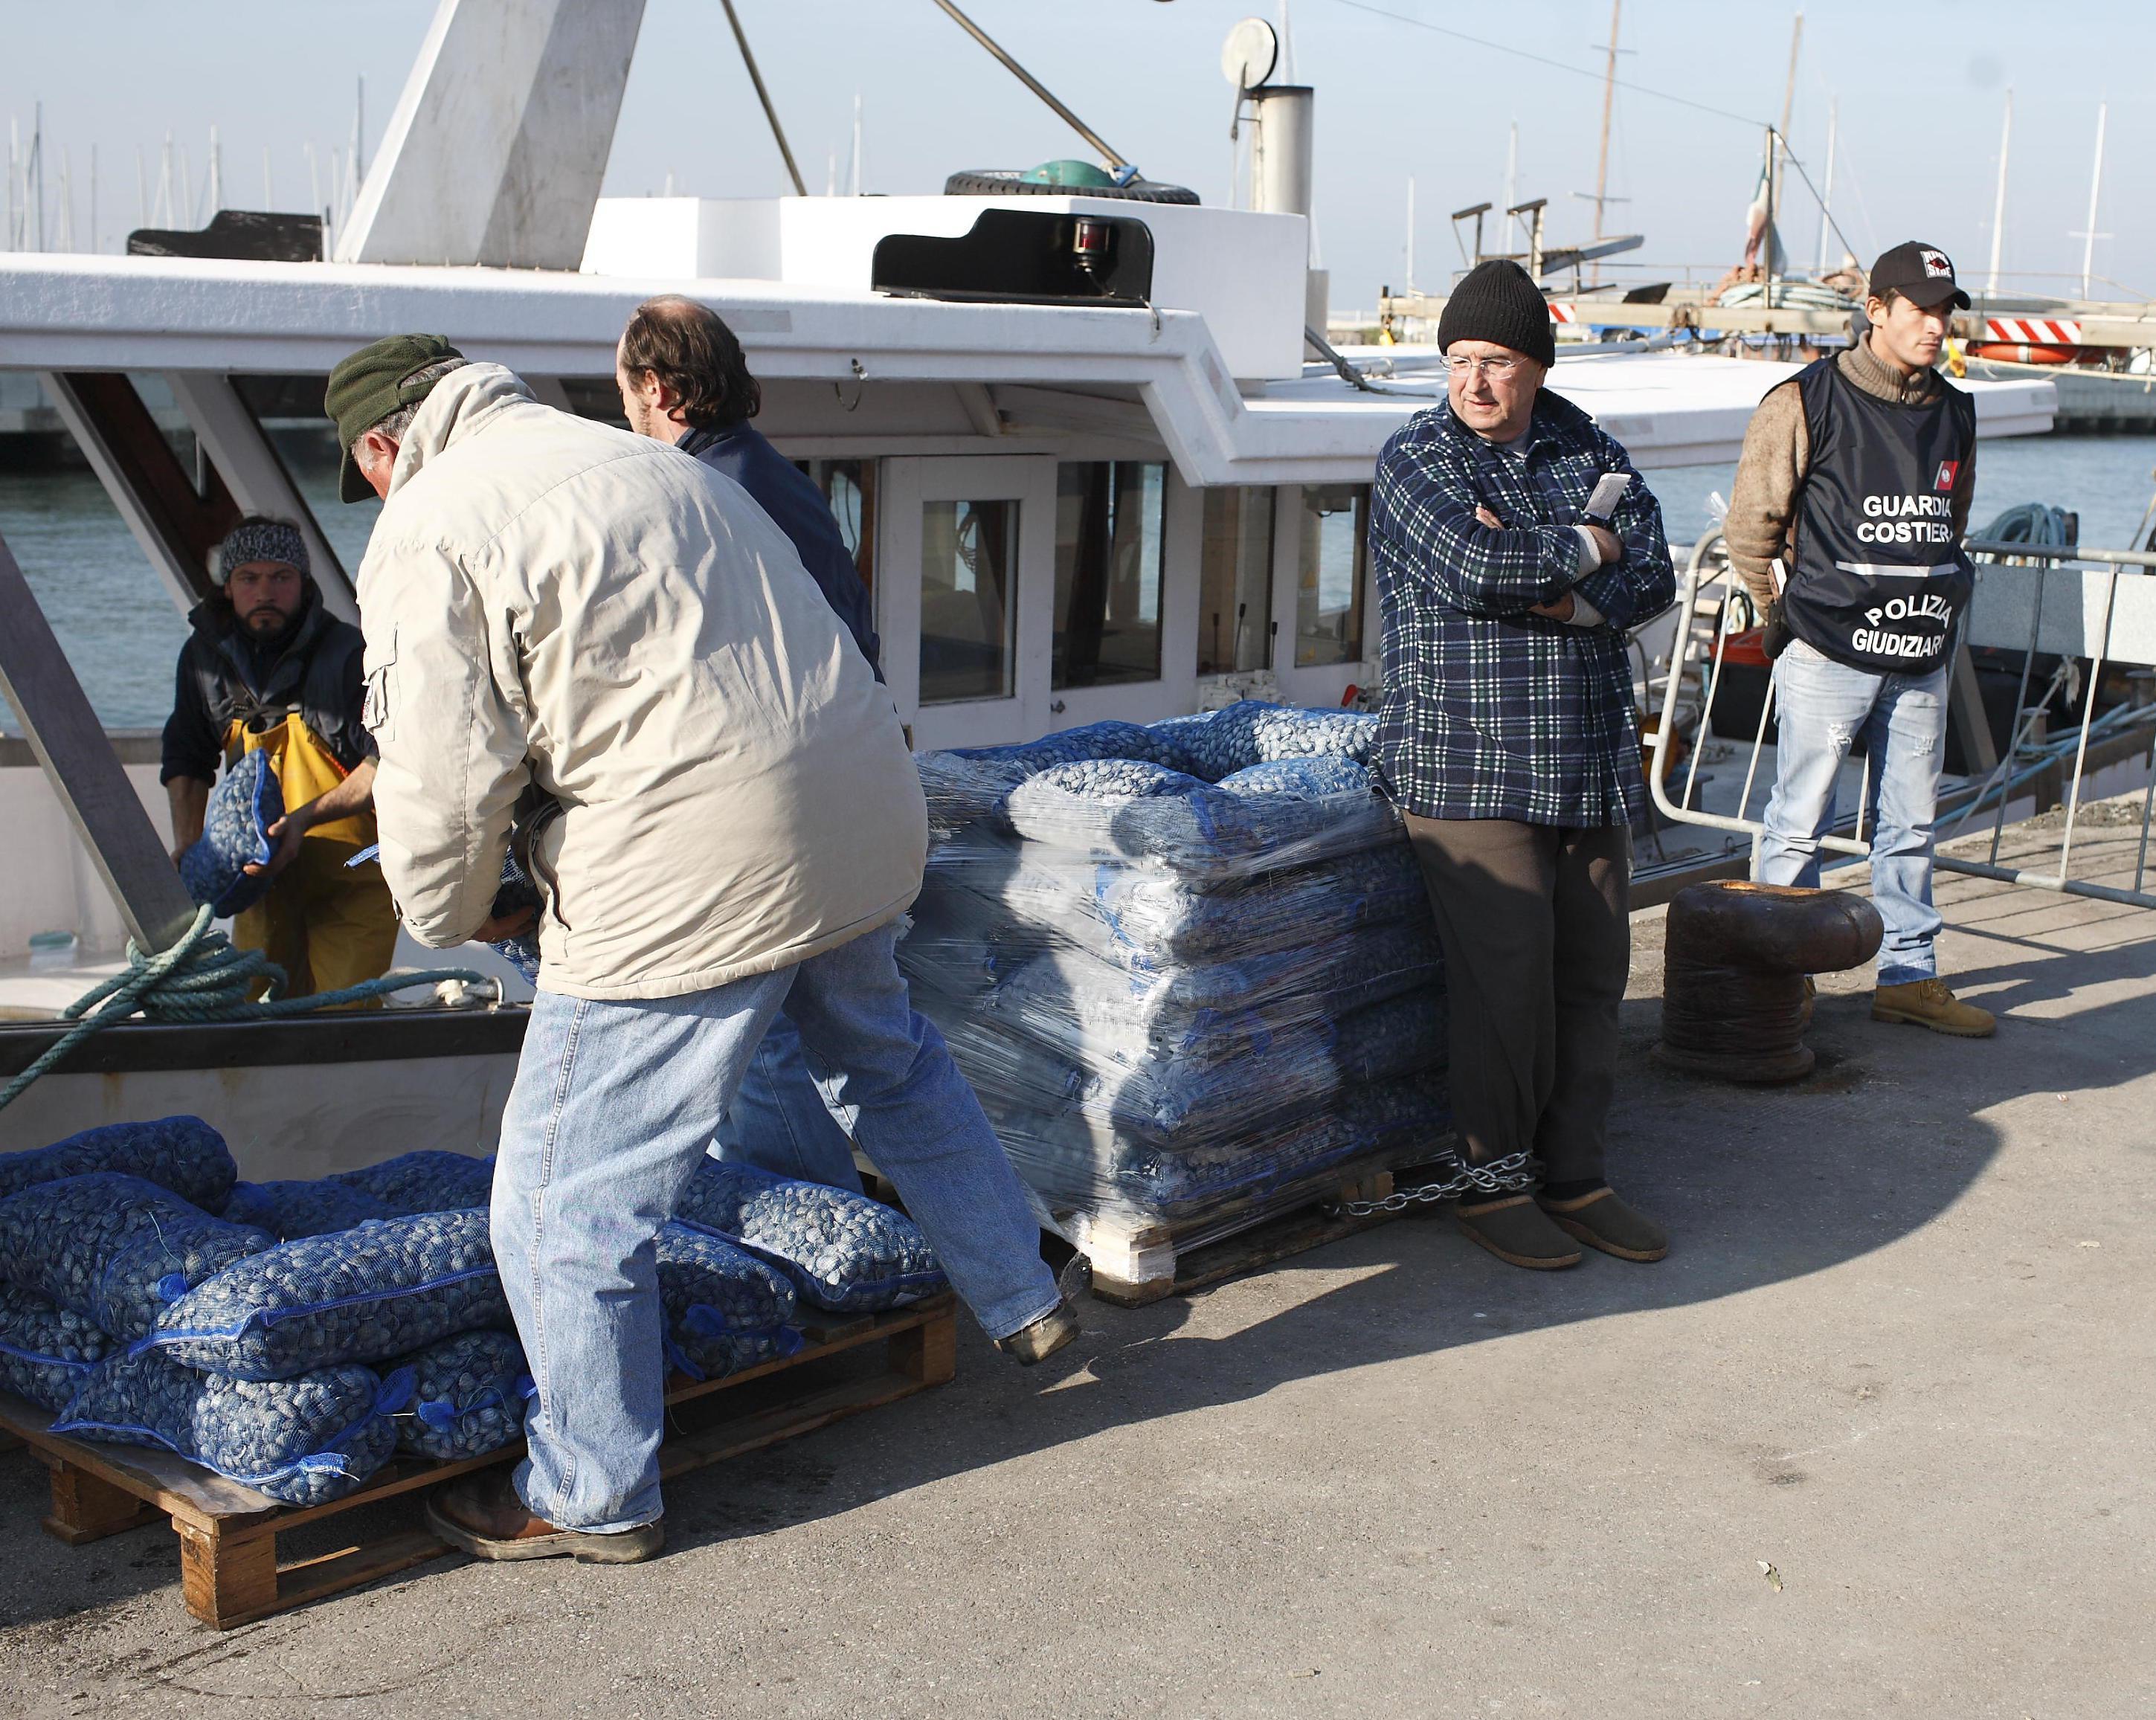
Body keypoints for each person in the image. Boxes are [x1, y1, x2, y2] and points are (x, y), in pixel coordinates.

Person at [324, 334, 1073, 1565]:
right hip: (854, 811)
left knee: (563, 1199)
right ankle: (1020, 1296)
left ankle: (590, 1488)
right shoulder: (653, 464)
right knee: (884, 1060)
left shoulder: (433, 520)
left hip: (691, 863)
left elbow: (441, 770)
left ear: (382, 446)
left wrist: (452, 913)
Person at [1370, 258, 1677, 1272]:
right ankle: (1490, 1185)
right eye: (1457, 361)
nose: (1473, 384)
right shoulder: (1416, 458)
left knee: (1591, 979)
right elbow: (1473, 565)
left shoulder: (1588, 443)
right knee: (1504, 991)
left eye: (1495, 362)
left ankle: (1576, 1176)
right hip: (1467, 770)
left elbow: (1653, 575)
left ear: (1534, 366)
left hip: (1587, 761)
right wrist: (1584, 542)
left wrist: (1566, 579)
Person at [616, 294, 878, 1192]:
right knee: (846, 1043)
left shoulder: (706, 492)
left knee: (752, 1044)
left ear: (656, 385)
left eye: (623, 387)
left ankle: (832, 1228)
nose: (623, 408)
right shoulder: (762, 472)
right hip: (839, 782)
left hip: (777, 800)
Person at [1726, 241, 1995, 1038]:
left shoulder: (1954, 411)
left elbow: (1952, 522)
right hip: (1825, 649)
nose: (1935, 325)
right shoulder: (1803, 400)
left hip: (1920, 654)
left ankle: (1908, 975)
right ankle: (1778, 976)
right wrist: (1772, 612)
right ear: (1874, 309)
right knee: (1799, 817)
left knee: (1910, 822)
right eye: (1918, 308)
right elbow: (1752, 525)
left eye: (1945, 310)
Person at [161, 515, 396, 999]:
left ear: (303, 584)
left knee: (346, 1017)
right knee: (257, 1017)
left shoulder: (351, 655)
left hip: (353, 882)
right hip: (260, 883)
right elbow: (187, 754)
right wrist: (188, 842)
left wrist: (305, 818)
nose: (264, 591)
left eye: (281, 577)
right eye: (249, 577)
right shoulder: (202, 660)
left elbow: (387, 763)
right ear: (228, 586)